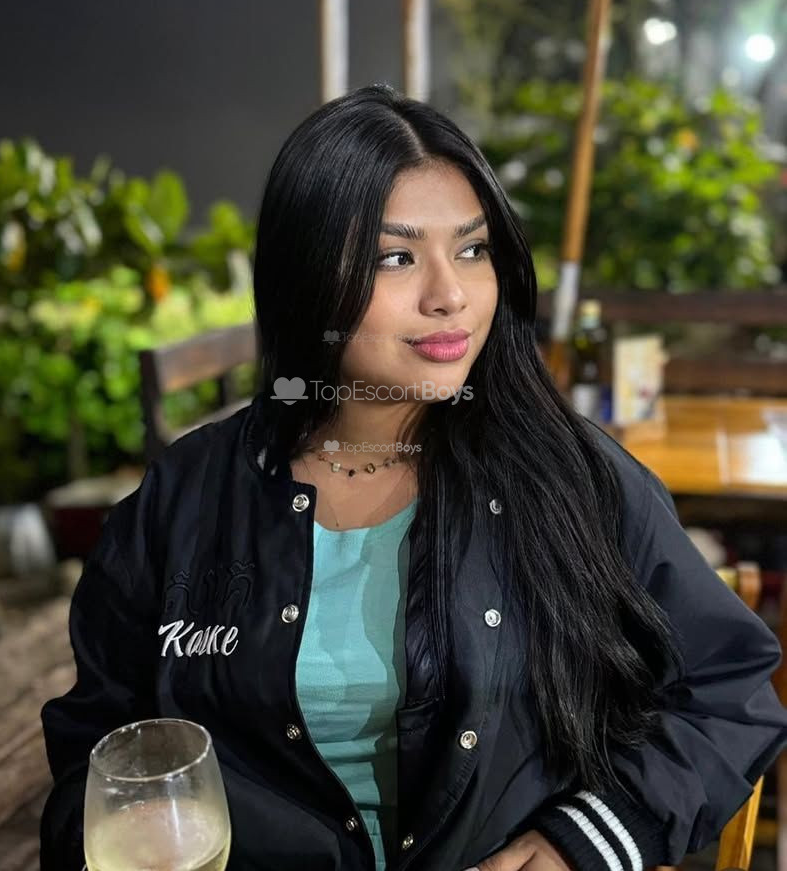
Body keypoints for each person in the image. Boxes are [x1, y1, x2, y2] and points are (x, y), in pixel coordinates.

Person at [40, 84, 787, 871]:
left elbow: (730, 689)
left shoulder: (573, 479)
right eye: (395, 258)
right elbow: (96, 754)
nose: (450, 295)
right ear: (305, 277)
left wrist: (587, 839)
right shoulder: (183, 501)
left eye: (472, 249)